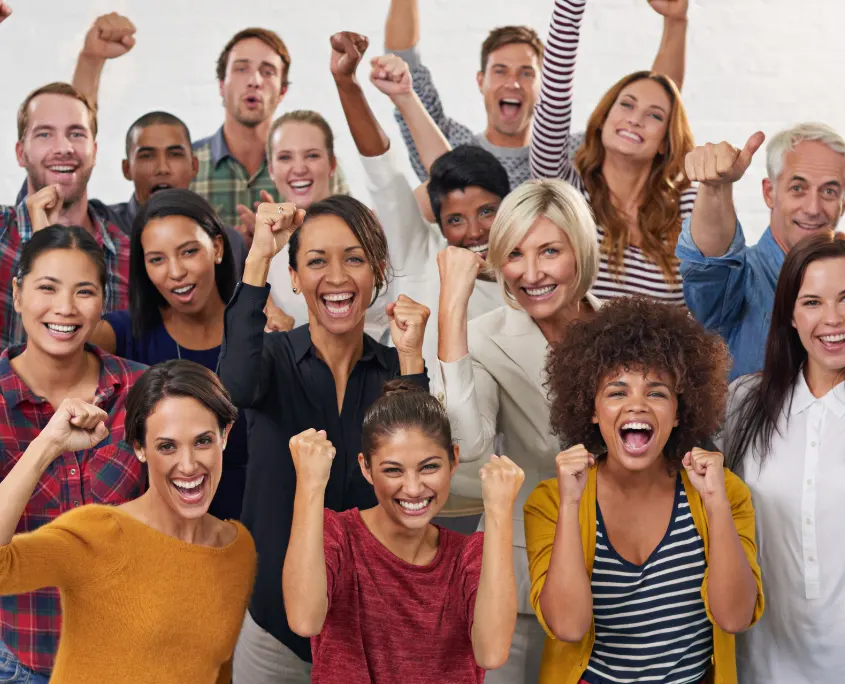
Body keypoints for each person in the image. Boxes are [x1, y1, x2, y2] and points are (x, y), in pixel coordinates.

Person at [218, 196, 430, 683]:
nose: (336, 277)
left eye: (353, 259)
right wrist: (258, 259)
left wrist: (414, 358)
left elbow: (417, 478)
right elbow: (233, 387)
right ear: (293, 278)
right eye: (316, 261)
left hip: (373, 631)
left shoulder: (398, 370)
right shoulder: (269, 360)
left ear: (377, 272)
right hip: (274, 629)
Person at [524, 297, 764, 684]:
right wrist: (571, 505)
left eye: (657, 392)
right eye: (617, 392)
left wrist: (716, 502)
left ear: (680, 411)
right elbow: (568, 626)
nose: (637, 406)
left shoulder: (723, 492)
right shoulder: (550, 502)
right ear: (591, 409)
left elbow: (734, 617)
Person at [435, 179, 602, 682]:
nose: (531, 274)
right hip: (527, 578)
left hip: (624, 574)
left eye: (549, 251)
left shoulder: (621, 324)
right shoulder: (482, 339)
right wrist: (452, 310)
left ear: (580, 249)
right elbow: (467, 445)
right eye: (514, 255)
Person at [0, 359, 256, 683]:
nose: (189, 465)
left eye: (203, 441)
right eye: (167, 446)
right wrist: (47, 445)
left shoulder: (237, 548)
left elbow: (216, 671)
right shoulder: (100, 534)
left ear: (225, 436)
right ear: (140, 449)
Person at [283, 382, 525, 682]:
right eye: (393, 470)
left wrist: (500, 512)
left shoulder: (470, 556)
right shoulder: (337, 536)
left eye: (428, 467)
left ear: (454, 460)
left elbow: (491, 653)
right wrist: (310, 482)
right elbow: (304, 620)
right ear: (366, 468)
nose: (412, 488)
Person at [0, 225, 147, 682]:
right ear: (18, 293)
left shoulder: (143, 390)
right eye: (47, 288)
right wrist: (47, 444)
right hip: (19, 662)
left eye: (84, 291)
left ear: (104, 302)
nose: (64, 308)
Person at [326, 31, 505, 368]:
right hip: (414, 414)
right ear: (438, 219)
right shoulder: (421, 253)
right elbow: (383, 169)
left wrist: (406, 96)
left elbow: (455, 178)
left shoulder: (528, 277)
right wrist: (346, 82)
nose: (474, 231)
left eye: (487, 212)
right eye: (455, 220)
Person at [384, 0, 687, 190]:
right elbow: (404, 65)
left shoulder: (575, 153)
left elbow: (656, 102)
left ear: (544, 87)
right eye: (500, 71)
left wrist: (675, 22)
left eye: (526, 73)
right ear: (481, 81)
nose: (513, 83)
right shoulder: (448, 143)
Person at [722, 232, 845, 683]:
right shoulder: (745, 401)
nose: (832, 319)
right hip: (763, 658)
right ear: (790, 316)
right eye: (812, 302)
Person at [89, 189, 249, 521]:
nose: (175, 272)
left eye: (188, 252)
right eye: (157, 259)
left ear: (217, 248)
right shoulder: (124, 333)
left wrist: (257, 303)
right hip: (163, 536)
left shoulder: (258, 333)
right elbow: (58, 339)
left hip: (253, 530)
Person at [530, 0, 694, 304]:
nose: (635, 119)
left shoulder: (684, 204)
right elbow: (553, 105)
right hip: (575, 353)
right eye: (627, 105)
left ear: (664, 142)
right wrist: (570, 7)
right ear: (604, 117)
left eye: (654, 116)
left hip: (665, 352)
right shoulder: (567, 191)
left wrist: (676, 21)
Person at [678, 123, 845, 379]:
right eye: (797, 188)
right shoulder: (739, 282)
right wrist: (715, 187)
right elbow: (710, 263)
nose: (813, 208)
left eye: (829, 191)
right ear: (769, 193)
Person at [0, 79, 130, 350]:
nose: (63, 148)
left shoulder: (128, 254)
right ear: (21, 153)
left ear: (94, 151)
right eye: (45, 134)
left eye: (76, 134)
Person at [263, 107, 388, 339]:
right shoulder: (268, 250)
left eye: (312, 155)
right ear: (271, 169)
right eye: (285, 157)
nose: (299, 168)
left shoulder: (370, 227)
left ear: (332, 165)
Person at [111, 112, 247, 272]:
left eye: (175, 155)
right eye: (147, 156)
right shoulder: (103, 228)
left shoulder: (228, 242)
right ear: (127, 169)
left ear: (194, 166)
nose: (162, 169)